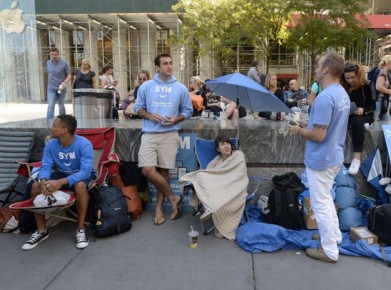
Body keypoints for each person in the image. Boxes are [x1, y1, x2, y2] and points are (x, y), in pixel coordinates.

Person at [289, 52, 350, 263]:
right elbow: (327, 125)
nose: (315, 69)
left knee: (321, 203)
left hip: (321, 159)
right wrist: (309, 124)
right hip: (334, 156)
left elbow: (319, 135)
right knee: (326, 200)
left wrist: (298, 131)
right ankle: (334, 237)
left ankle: (329, 250)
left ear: (326, 70)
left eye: (318, 66)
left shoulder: (324, 97)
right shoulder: (341, 93)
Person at [134, 52, 193, 225]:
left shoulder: (180, 88)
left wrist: (177, 119)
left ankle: (159, 208)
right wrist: (150, 115)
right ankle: (174, 197)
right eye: (165, 63)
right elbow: (138, 108)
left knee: (163, 172)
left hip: (170, 134)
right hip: (150, 134)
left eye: (171, 63)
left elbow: (188, 111)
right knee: (146, 169)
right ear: (157, 67)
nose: (169, 66)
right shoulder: (146, 86)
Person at [22, 114, 96, 250]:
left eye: (55, 126)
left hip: (79, 174)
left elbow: (85, 172)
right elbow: (45, 166)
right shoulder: (51, 145)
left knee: (80, 186)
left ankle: (80, 229)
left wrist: (61, 182)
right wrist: (43, 180)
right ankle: (41, 230)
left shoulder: (84, 144)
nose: (51, 128)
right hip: (60, 174)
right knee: (35, 186)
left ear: (65, 130)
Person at [179, 136, 248, 240]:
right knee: (201, 176)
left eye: (228, 143)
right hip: (219, 186)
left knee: (205, 179)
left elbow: (238, 175)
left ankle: (209, 206)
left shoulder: (238, 155)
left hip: (236, 186)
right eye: (223, 144)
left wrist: (220, 179)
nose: (226, 146)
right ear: (218, 149)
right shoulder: (217, 160)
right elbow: (208, 172)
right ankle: (209, 206)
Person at [342, 61, 376, 175]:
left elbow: (373, 106)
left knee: (356, 121)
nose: (350, 80)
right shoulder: (344, 87)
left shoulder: (368, 84)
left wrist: (363, 110)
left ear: (358, 74)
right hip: (349, 115)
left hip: (366, 115)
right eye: (347, 78)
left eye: (353, 77)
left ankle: (357, 158)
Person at [46, 47, 71, 120]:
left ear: (58, 55)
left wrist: (64, 82)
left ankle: (63, 122)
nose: (53, 56)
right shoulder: (48, 63)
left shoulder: (64, 63)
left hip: (61, 88)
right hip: (51, 88)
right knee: (51, 105)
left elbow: (69, 75)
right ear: (50, 54)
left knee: (61, 106)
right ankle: (49, 124)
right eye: (52, 54)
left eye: (55, 54)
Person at [375, 55, 391, 120]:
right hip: (379, 100)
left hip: (380, 100)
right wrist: (389, 91)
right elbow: (378, 87)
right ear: (389, 62)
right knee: (374, 120)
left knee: (386, 120)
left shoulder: (379, 70)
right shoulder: (383, 71)